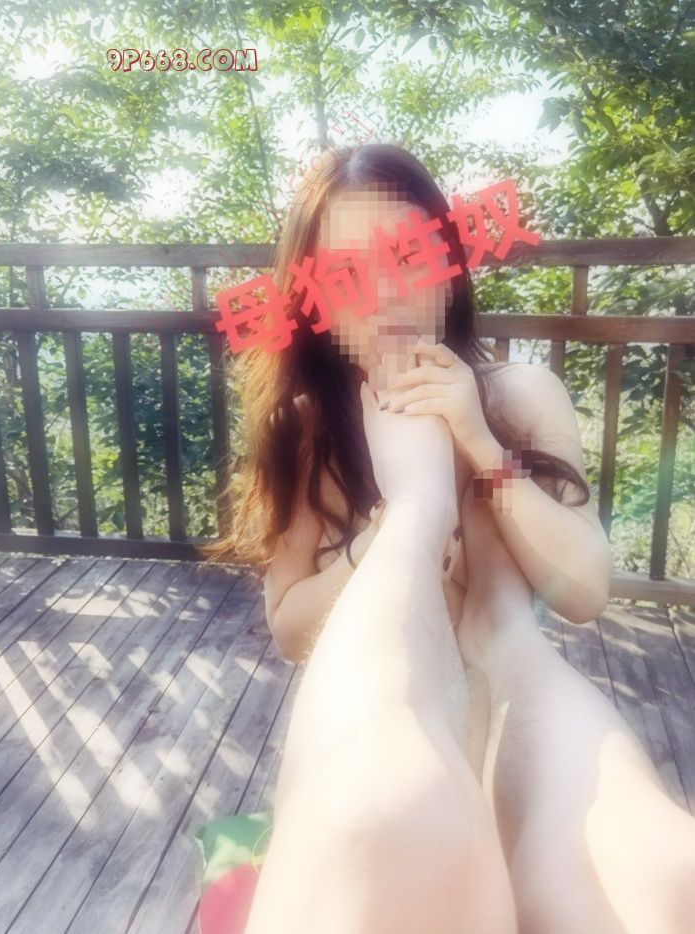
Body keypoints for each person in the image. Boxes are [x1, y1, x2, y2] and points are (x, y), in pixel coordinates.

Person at [198, 143, 695, 933]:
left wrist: (482, 448)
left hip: (515, 715)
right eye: (348, 274)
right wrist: (386, 531)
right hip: (388, 714)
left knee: (662, 882)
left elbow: (586, 591)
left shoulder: (521, 394)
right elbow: (290, 627)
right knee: (388, 830)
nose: (388, 293)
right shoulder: (308, 430)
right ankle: (422, 525)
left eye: (409, 256)